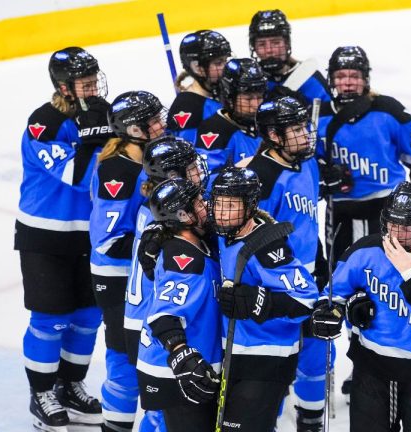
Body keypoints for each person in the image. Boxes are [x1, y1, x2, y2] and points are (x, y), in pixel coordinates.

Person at [18, 46, 112, 431]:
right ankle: (42, 393)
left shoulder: (102, 113)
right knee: (50, 319)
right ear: (64, 86)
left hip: (89, 236)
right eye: (84, 82)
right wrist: (92, 139)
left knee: (88, 318)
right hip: (46, 238)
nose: (92, 88)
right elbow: (75, 175)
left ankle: (70, 386)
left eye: (94, 80)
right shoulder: (43, 123)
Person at [312, 181, 411, 431]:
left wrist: (407, 273)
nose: (398, 233)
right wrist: (331, 311)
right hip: (372, 370)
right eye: (393, 224)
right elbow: (333, 296)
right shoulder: (363, 251)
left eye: (407, 227)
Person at [210, 166, 319, 431]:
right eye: (218, 204)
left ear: (249, 206)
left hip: (267, 360)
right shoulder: (225, 234)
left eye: (231, 205)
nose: (222, 213)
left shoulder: (267, 246)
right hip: (236, 355)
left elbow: (306, 299)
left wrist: (256, 300)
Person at [246, 96, 327, 429]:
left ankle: (310, 423)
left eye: (303, 126)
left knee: (317, 358)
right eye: (295, 129)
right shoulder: (260, 176)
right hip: (276, 287)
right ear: (274, 136)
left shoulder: (306, 161)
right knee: (275, 365)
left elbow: (308, 222)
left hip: (310, 281)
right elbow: (253, 240)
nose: (305, 134)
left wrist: (320, 264)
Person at [88, 90, 166, 431]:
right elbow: (108, 240)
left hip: (140, 277)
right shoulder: (117, 170)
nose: (161, 125)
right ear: (133, 130)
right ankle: (115, 426)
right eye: (152, 121)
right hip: (117, 277)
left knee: (145, 352)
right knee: (123, 355)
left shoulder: (150, 159)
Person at [317, 46, 411, 264]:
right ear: (331, 80)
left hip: (387, 211)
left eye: (354, 76)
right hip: (339, 211)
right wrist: (321, 178)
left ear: (365, 78)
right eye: (341, 76)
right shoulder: (319, 117)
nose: (347, 82)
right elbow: (308, 166)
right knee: (340, 273)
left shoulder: (387, 109)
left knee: (392, 271)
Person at [125, 135, 207, 431]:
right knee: (164, 417)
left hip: (145, 322)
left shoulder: (157, 210)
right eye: (192, 168)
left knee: (160, 415)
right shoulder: (173, 226)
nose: (199, 172)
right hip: (158, 327)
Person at [135, 178, 222, 431]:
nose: (206, 206)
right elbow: (164, 317)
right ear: (184, 215)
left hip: (180, 365)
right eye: (199, 203)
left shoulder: (201, 245)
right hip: (175, 370)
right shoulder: (182, 257)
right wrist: (181, 355)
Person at [194, 57, 267, 173]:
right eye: (248, 99)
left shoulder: (268, 121)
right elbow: (207, 179)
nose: (256, 105)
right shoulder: (213, 130)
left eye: (259, 97)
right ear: (230, 98)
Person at [248, 9, 331, 105]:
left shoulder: (310, 79)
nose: (269, 50)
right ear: (254, 47)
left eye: (275, 43)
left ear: (287, 43)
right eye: (262, 44)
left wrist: (305, 108)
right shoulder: (248, 82)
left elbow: (329, 117)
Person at [167, 30, 231, 142]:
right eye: (218, 63)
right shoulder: (188, 108)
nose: (226, 67)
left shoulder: (221, 93)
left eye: (226, 61)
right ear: (197, 68)